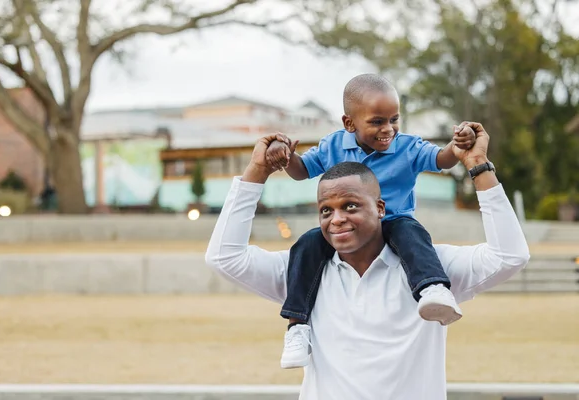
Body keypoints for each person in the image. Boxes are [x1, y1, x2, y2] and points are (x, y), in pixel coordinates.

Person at [205, 125, 529, 400]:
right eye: (326, 210)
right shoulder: (305, 270)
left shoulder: (429, 267)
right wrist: (257, 172)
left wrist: (478, 166)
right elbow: (225, 257)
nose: (337, 220)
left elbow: (510, 256)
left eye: (350, 206)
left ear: (381, 209)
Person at [265, 74, 476, 368]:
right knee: (307, 244)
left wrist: (457, 145)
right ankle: (297, 326)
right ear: (349, 123)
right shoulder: (332, 146)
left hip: (393, 222)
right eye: (377, 121)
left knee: (411, 233)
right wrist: (286, 156)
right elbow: (303, 171)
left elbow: (442, 159)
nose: (388, 129)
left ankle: (432, 289)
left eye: (394, 119)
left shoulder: (408, 146)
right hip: (348, 227)